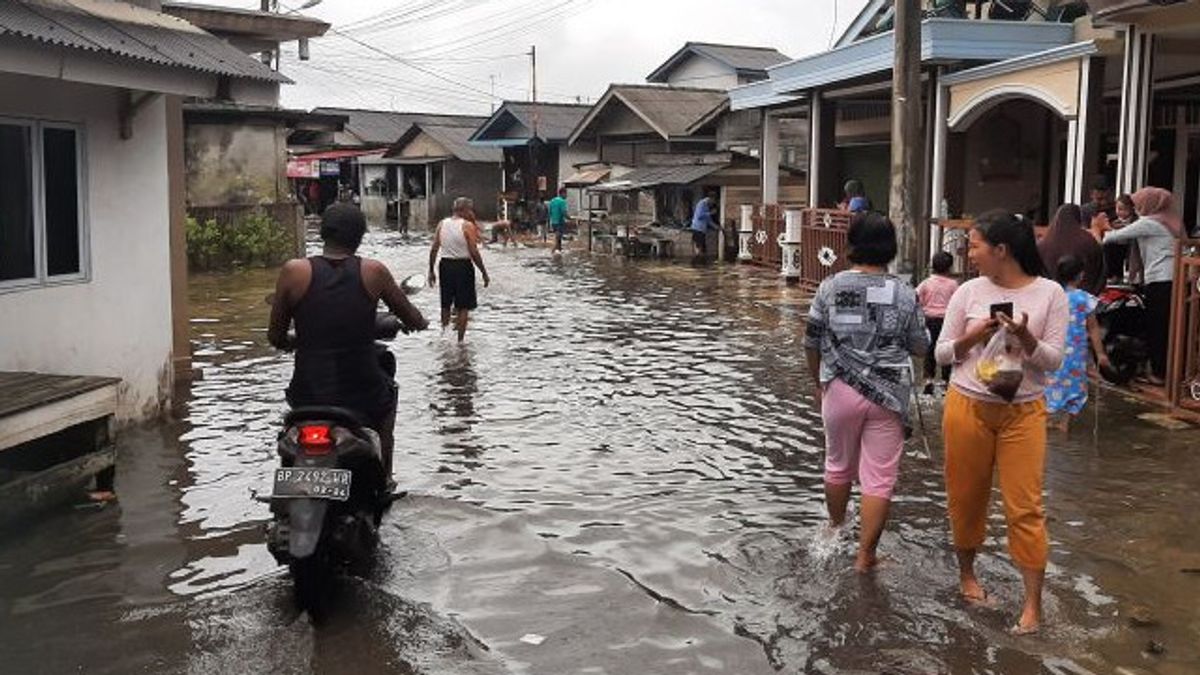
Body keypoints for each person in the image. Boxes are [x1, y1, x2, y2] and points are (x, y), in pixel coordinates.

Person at [935, 209, 1068, 636]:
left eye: (974, 245)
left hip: (1024, 411)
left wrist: (1026, 338)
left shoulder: (1051, 295)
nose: (968, 253)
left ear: (1002, 250)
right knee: (966, 497)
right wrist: (974, 336)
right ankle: (967, 576)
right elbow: (940, 354)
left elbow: (1054, 362)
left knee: (1026, 507)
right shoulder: (966, 291)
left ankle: (1032, 606)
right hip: (967, 405)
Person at [804, 212, 929, 573]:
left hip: (838, 390)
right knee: (879, 477)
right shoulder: (905, 292)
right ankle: (866, 556)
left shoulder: (830, 287)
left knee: (838, 464)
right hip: (888, 396)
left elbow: (810, 341)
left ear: (851, 244)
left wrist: (818, 383)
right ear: (890, 248)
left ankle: (835, 528)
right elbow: (921, 347)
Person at [268, 203, 429, 481]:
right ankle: (385, 480)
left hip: (308, 391)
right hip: (362, 391)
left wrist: (296, 341)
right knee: (387, 403)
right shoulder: (374, 271)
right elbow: (413, 317)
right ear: (360, 237)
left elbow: (276, 337)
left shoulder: (294, 271)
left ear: (323, 234)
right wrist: (417, 324)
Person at [1098, 187, 1182, 385]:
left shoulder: (1151, 223)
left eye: (1138, 205)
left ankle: (1159, 374)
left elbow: (1112, 238)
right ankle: (1174, 372)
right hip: (1175, 279)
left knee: (1157, 327)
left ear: (1150, 204)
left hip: (1160, 280)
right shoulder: (1170, 220)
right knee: (1170, 327)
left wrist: (1099, 227)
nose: (1136, 209)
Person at [1044, 255, 1110, 431]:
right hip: (1075, 355)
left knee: (1051, 383)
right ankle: (1064, 424)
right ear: (1080, 275)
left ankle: (1047, 420)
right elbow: (1094, 328)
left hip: (1053, 349)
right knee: (1074, 388)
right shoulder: (1084, 299)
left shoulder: (1052, 297)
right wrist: (1100, 353)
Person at [429, 197, 491, 343]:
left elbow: (434, 248)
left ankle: (444, 336)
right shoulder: (467, 225)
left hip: (445, 266)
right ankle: (460, 341)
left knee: (445, 304)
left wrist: (431, 270)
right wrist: (483, 272)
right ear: (464, 210)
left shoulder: (441, 224)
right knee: (463, 306)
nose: (471, 212)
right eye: (469, 209)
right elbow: (474, 252)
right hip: (463, 267)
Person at [1037, 204, 1104, 295]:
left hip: (1050, 296)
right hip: (1084, 296)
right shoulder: (1088, 240)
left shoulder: (1044, 243)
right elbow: (1100, 269)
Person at [916, 251, 958, 394]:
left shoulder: (926, 283)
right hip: (947, 320)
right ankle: (946, 380)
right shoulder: (953, 284)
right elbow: (956, 303)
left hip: (929, 320)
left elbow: (916, 299)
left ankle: (928, 379)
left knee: (930, 350)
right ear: (949, 268)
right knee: (947, 349)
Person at [691, 192, 719, 257]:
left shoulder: (707, 206)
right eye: (714, 201)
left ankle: (699, 261)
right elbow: (699, 216)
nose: (713, 203)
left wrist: (716, 226)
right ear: (711, 198)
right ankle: (698, 260)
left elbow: (708, 220)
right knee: (699, 247)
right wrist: (710, 213)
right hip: (698, 229)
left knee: (702, 247)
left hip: (702, 230)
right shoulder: (702, 204)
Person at [548, 187, 570, 254]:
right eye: (566, 194)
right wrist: (570, 218)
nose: (566, 196)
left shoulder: (552, 201)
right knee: (558, 238)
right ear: (562, 193)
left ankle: (559, 250)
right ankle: (553, 251)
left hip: (553, 222)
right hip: (559, 222)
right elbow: (564, 212)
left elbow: (549, 212)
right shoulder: (562, 201)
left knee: (558, 237)